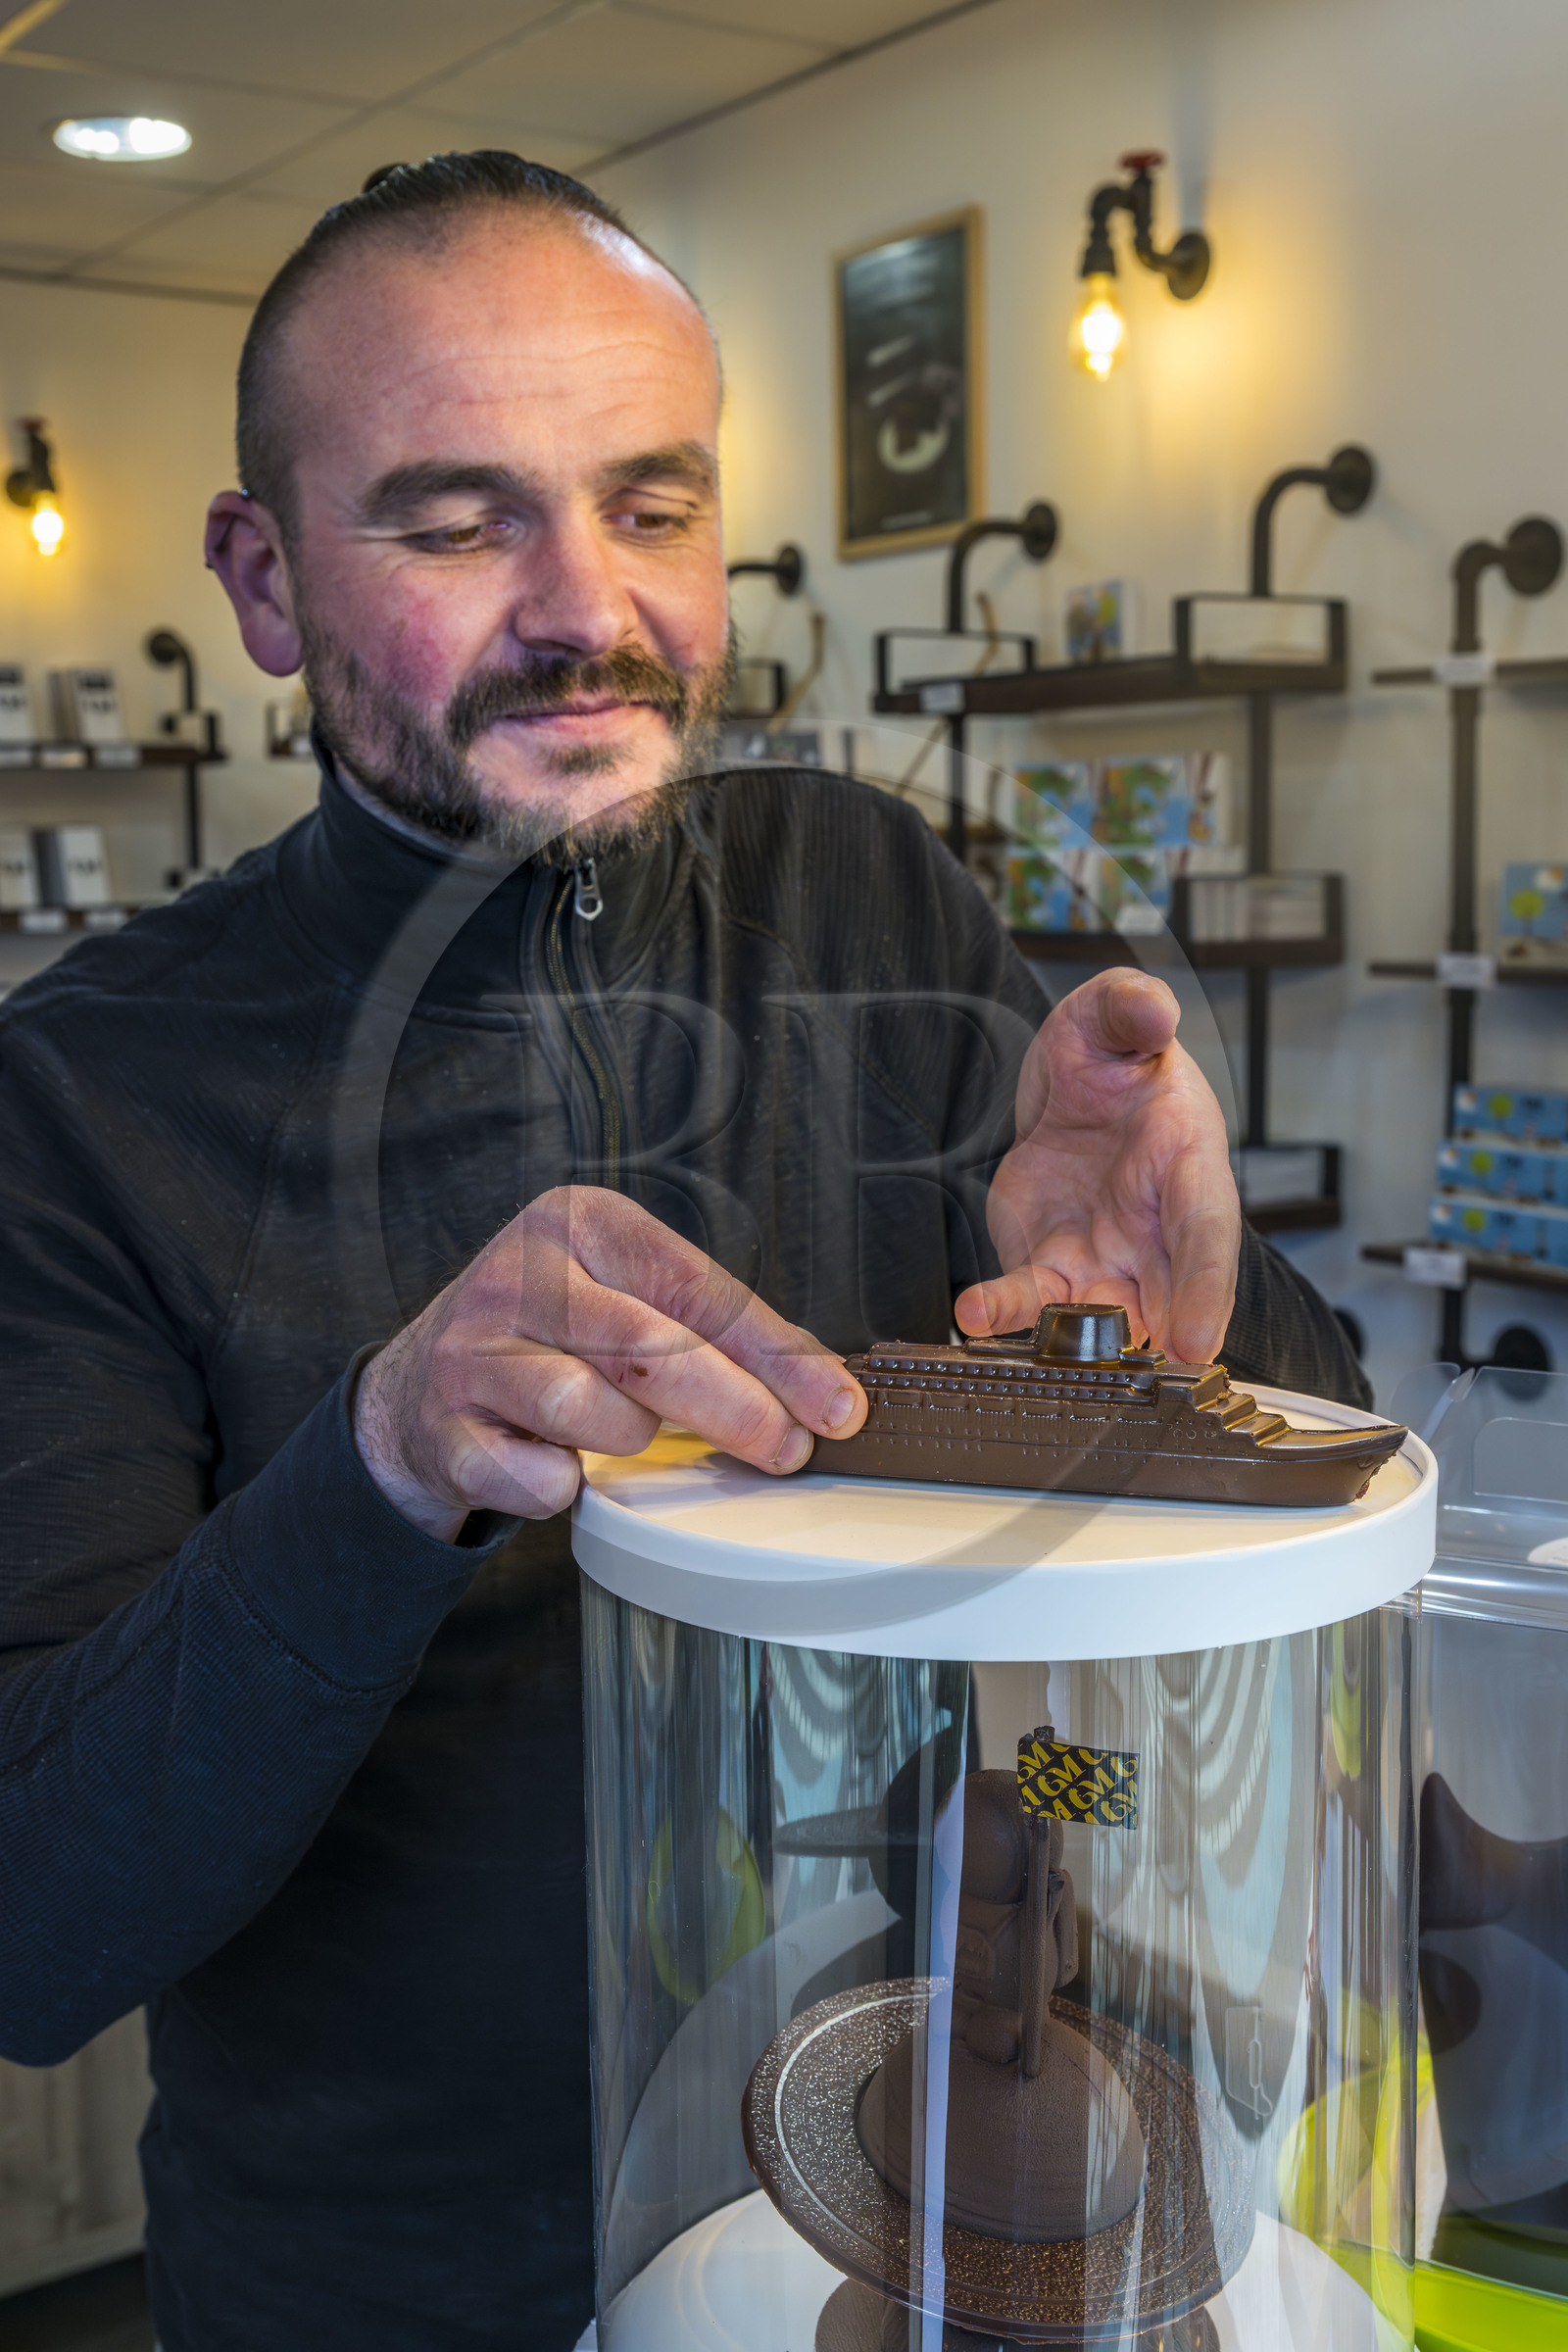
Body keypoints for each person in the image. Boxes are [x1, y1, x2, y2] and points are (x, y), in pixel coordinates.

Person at [0, 154, 1368, 2350]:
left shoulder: (859, 889)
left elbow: (1260, 1485)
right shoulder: (78, 1096)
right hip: (386, 2294)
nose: (586, 606)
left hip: (908, 2225)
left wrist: (1176, 1324)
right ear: (262, 584)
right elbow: (36, 1929)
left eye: (651, 507)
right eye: (457, 522)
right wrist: (376, 1461)